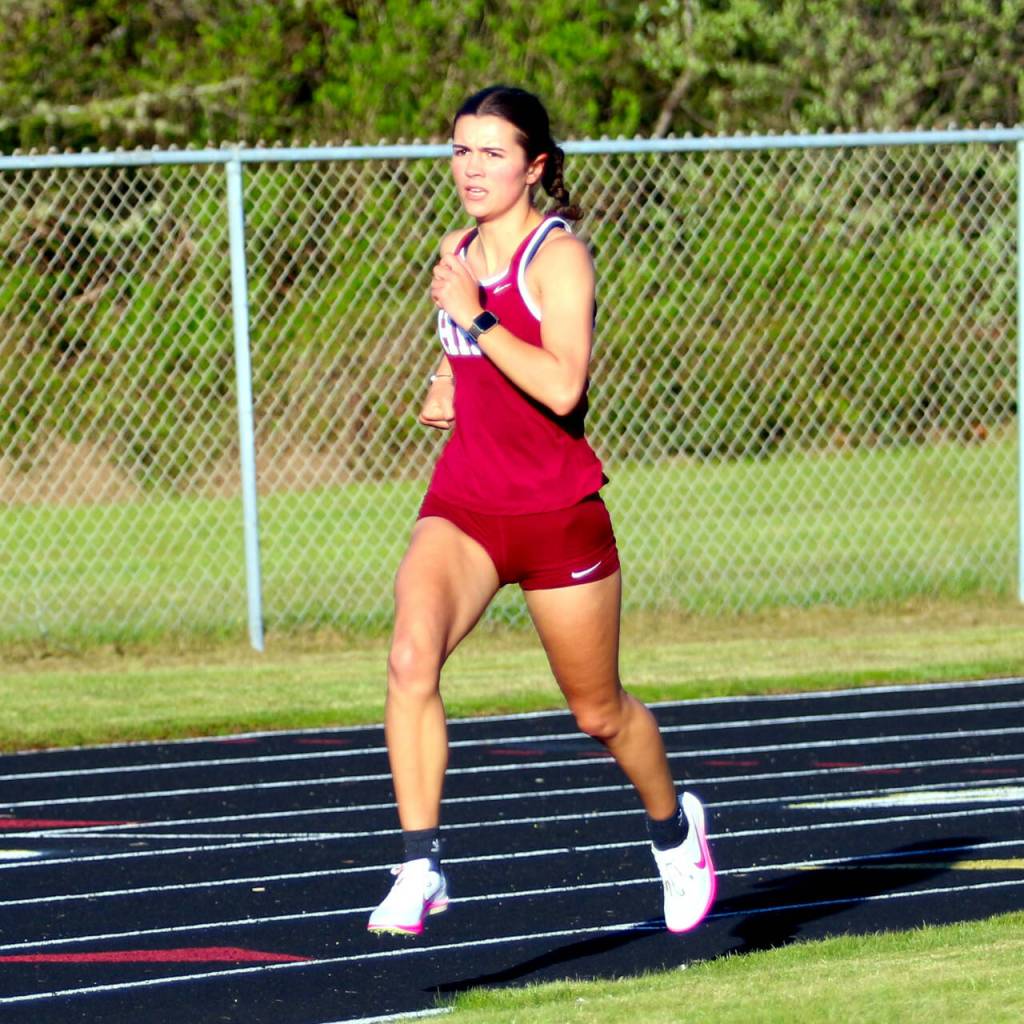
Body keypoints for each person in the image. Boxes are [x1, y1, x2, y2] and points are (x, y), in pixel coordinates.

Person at [367, 85, 716, 938]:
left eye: (492, 152)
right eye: (460, 149)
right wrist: (448, 378)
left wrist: (476, 319)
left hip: (558, 514)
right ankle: (420, 865)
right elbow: (465, 355)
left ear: (535, 166)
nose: (472, 167)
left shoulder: (558, 257)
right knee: (411, 659)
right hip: (465, 507)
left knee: (599, 714)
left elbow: (562, 383)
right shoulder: (455, 249)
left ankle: (676, 835)